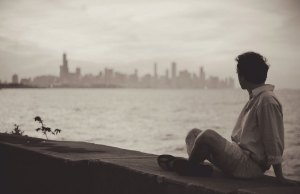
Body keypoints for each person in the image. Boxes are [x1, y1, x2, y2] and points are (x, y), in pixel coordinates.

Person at [185, 52, 295, 184]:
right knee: (193, 134)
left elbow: (273, 139)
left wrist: (279, 177)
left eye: (238, 73)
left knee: (207, 135)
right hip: (240, 156)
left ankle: (189, 168)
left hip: (250, 166)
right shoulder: (257, 98)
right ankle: (197, 168)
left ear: (243, 77)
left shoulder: (266, 100)